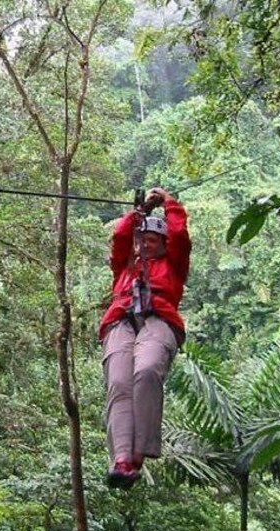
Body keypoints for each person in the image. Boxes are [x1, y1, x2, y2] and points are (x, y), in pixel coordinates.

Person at [99, 187, 191, 488]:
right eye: (143, 241)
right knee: (118, 383)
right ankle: (122, 459)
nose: (146, 246)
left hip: (159, 319)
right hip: (121, 320)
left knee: (147, 370)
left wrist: (168, 202)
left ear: (163, 244)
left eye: (153, 241)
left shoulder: (173, 266)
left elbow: (180, 237)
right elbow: (121, 238)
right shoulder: (124, 265)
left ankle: (139, 451)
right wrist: (139, 213)